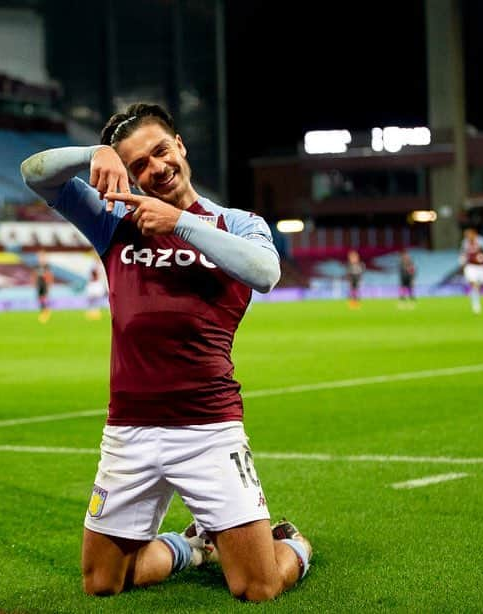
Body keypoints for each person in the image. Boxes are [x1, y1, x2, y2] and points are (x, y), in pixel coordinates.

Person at [20, 102, 311, 602]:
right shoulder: (113, 221)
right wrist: (95, 152)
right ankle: (195, 547)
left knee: (258, 588)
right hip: (129, 429)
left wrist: (180, 221)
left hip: (207, 427)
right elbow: (35, 174)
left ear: (180, 145)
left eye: (160, 152)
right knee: (102, 583)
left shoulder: (238, 223)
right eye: (138, 165)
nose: (155, 168)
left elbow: (265, 273)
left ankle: (297, 548)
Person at [459, 227, 483, 314]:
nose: (467, 236)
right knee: (474, 284)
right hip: (470, 266)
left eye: (469, 234)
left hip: (481, 267)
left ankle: (475, 294)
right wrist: (462, 263)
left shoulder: (482, 241)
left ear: (474, 234)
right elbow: (463, 253)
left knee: (480, 284)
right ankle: (476, 304)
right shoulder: (465, 242)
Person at [84, 255, 108, 320]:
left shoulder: (98, 267)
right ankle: (94, 313)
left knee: (94, 301)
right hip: (95, 285)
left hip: (96, 285)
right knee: (94, 301)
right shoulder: (95, 267)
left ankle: (94, 313)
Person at [33, 249, 53, 323]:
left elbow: (49, 275)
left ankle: (46, 312)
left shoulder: (47, 266)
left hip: (45, 284)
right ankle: (43, 311)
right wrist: (34, 283)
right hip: (39, 283)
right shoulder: (36, 266)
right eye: (39, 257)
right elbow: (35, 275)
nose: (41, 258)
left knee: (44, 297)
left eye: (42, 257)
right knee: (39, 298)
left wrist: (49, 284)